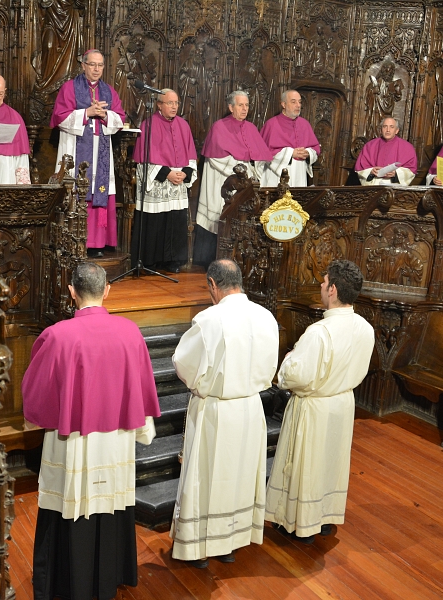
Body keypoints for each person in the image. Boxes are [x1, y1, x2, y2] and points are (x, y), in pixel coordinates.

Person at [22, 262, 160, 600]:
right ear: (107, 291)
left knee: (72, 503)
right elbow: (143, 386)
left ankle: (67, 581)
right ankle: (108, 575)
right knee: (111, 503)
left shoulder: (58, 335)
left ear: (72, 292)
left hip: (73, 442)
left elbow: (35, 391)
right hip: (117, 440)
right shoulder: (130, 331)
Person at [170, 259, 279, 567]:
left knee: (207, 477)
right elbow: (271, 366)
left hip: (216, 410)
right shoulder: (266, 316)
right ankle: (229, 543)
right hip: (250, 407)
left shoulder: (210, 319)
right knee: (239, 477)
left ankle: (197, 549)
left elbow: (183, 363)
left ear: (213, 286)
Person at [266, 260, 374, 544]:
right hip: (342, 403)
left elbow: (295, 376)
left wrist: (288, 361)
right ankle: (325, 518)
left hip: (313, 407)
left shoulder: (319, 332)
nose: (321, 287)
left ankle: (300, 524)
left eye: (324, 283)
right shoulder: (365, 328)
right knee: (331, 464)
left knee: (306, 465)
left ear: (334, 290)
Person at [50, 50, 125, 258]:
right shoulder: (69, 88)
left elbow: (120, 118)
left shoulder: (109, 91)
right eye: (92, 65)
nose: (96, 69)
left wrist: (105, 114)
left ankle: (97, 243)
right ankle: (73, 240)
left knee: (99, 189)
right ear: (83, 65)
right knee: (76, 189)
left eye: (100, 65)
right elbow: (59, 118)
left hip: (100, 149)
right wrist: (86, 113)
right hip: (75, 148)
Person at [194, 91, 273, 268]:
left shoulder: (251, 128)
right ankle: (212, 261)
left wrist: (251, 171)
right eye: (240, 105)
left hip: (244, 183)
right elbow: (215, 158)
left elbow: (259, 158)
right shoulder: (219, 127)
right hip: (222, 180)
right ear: (231, 107)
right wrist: (240, 169)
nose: (245, 109)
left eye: (247, 105)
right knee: (219, 218)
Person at [130, 89, 197, 273]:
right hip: (159, 183)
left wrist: (185, 172)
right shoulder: (148, 125)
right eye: (170, 103)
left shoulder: (184, 125)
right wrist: (166, 173)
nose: (175, 106)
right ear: (159, 104)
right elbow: (144, 162)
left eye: (176, 103)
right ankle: (151, 262)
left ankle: (173, 261)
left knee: (176, 222)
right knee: (156, 223)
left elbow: (191, 156)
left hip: (177, 184)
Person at [259, 89, 320, 187]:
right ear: (283, 104)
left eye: (299, 102)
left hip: (299, 172)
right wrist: (290, 153)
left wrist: (308, 153)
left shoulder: (305, 124)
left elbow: (316, 148)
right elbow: (263, 154)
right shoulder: (271, 124)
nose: (298, 105)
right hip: (277, 175)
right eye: (293, 102)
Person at [355, 117, 417, 186]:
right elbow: (361, 167)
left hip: (395, 186)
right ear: (381, 130)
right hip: (374, 184)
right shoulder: (370, 145)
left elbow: (411, 170)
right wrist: (371, 171)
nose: (388, 130)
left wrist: (396, 174)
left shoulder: (407, 147)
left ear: (397, 130)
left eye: (391, 127)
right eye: (385, 126)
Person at [365, 58, 404, 140]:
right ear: (382, 70)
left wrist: (397, 92)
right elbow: (368, 93)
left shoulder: (393, 84)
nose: (388, 72)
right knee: (376, 126)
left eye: (390, 71)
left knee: (387, 126)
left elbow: (397, 97)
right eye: (386, 70)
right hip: (376, 110)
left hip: (388, 111)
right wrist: (373, 91)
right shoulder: (376, 83)